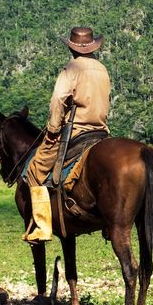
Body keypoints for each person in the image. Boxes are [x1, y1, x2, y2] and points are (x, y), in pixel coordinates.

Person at [23, 27, 111, 244]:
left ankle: (42, 227)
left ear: (72, 48)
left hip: (76, 131)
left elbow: (58, 99)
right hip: (100, 132)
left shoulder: (71, 68)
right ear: (92, 47)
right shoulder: (102, 69)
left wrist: (53, 130)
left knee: (35, 170)